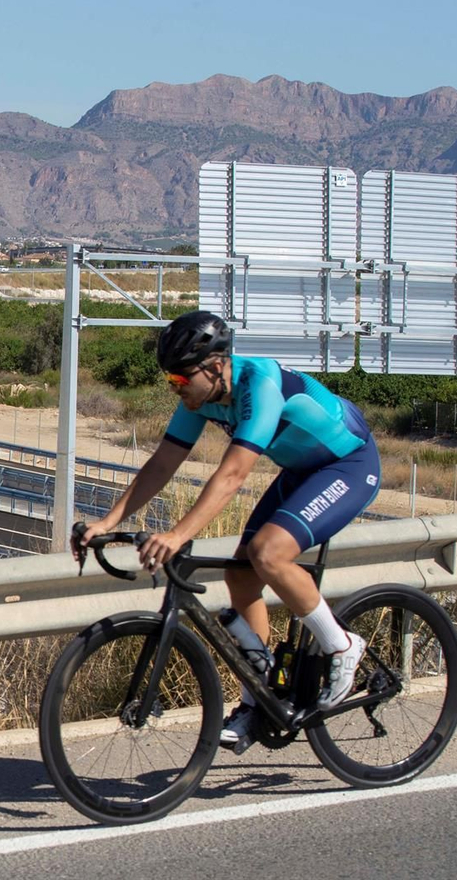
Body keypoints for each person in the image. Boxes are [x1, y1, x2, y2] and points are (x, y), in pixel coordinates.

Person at [73, 311, 380, 751]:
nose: (176, 388)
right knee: (240, 574)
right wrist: (107, 521)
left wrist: (177, 535)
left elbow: (233, 475)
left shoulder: (261, 385)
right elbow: (162, 463)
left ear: (215, 367)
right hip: (301, 470)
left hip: (346, 465)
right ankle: (260, 698)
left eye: (181, 380)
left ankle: (341, 645)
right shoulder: (202, 397)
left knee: (268, 553)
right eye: (169, 382)